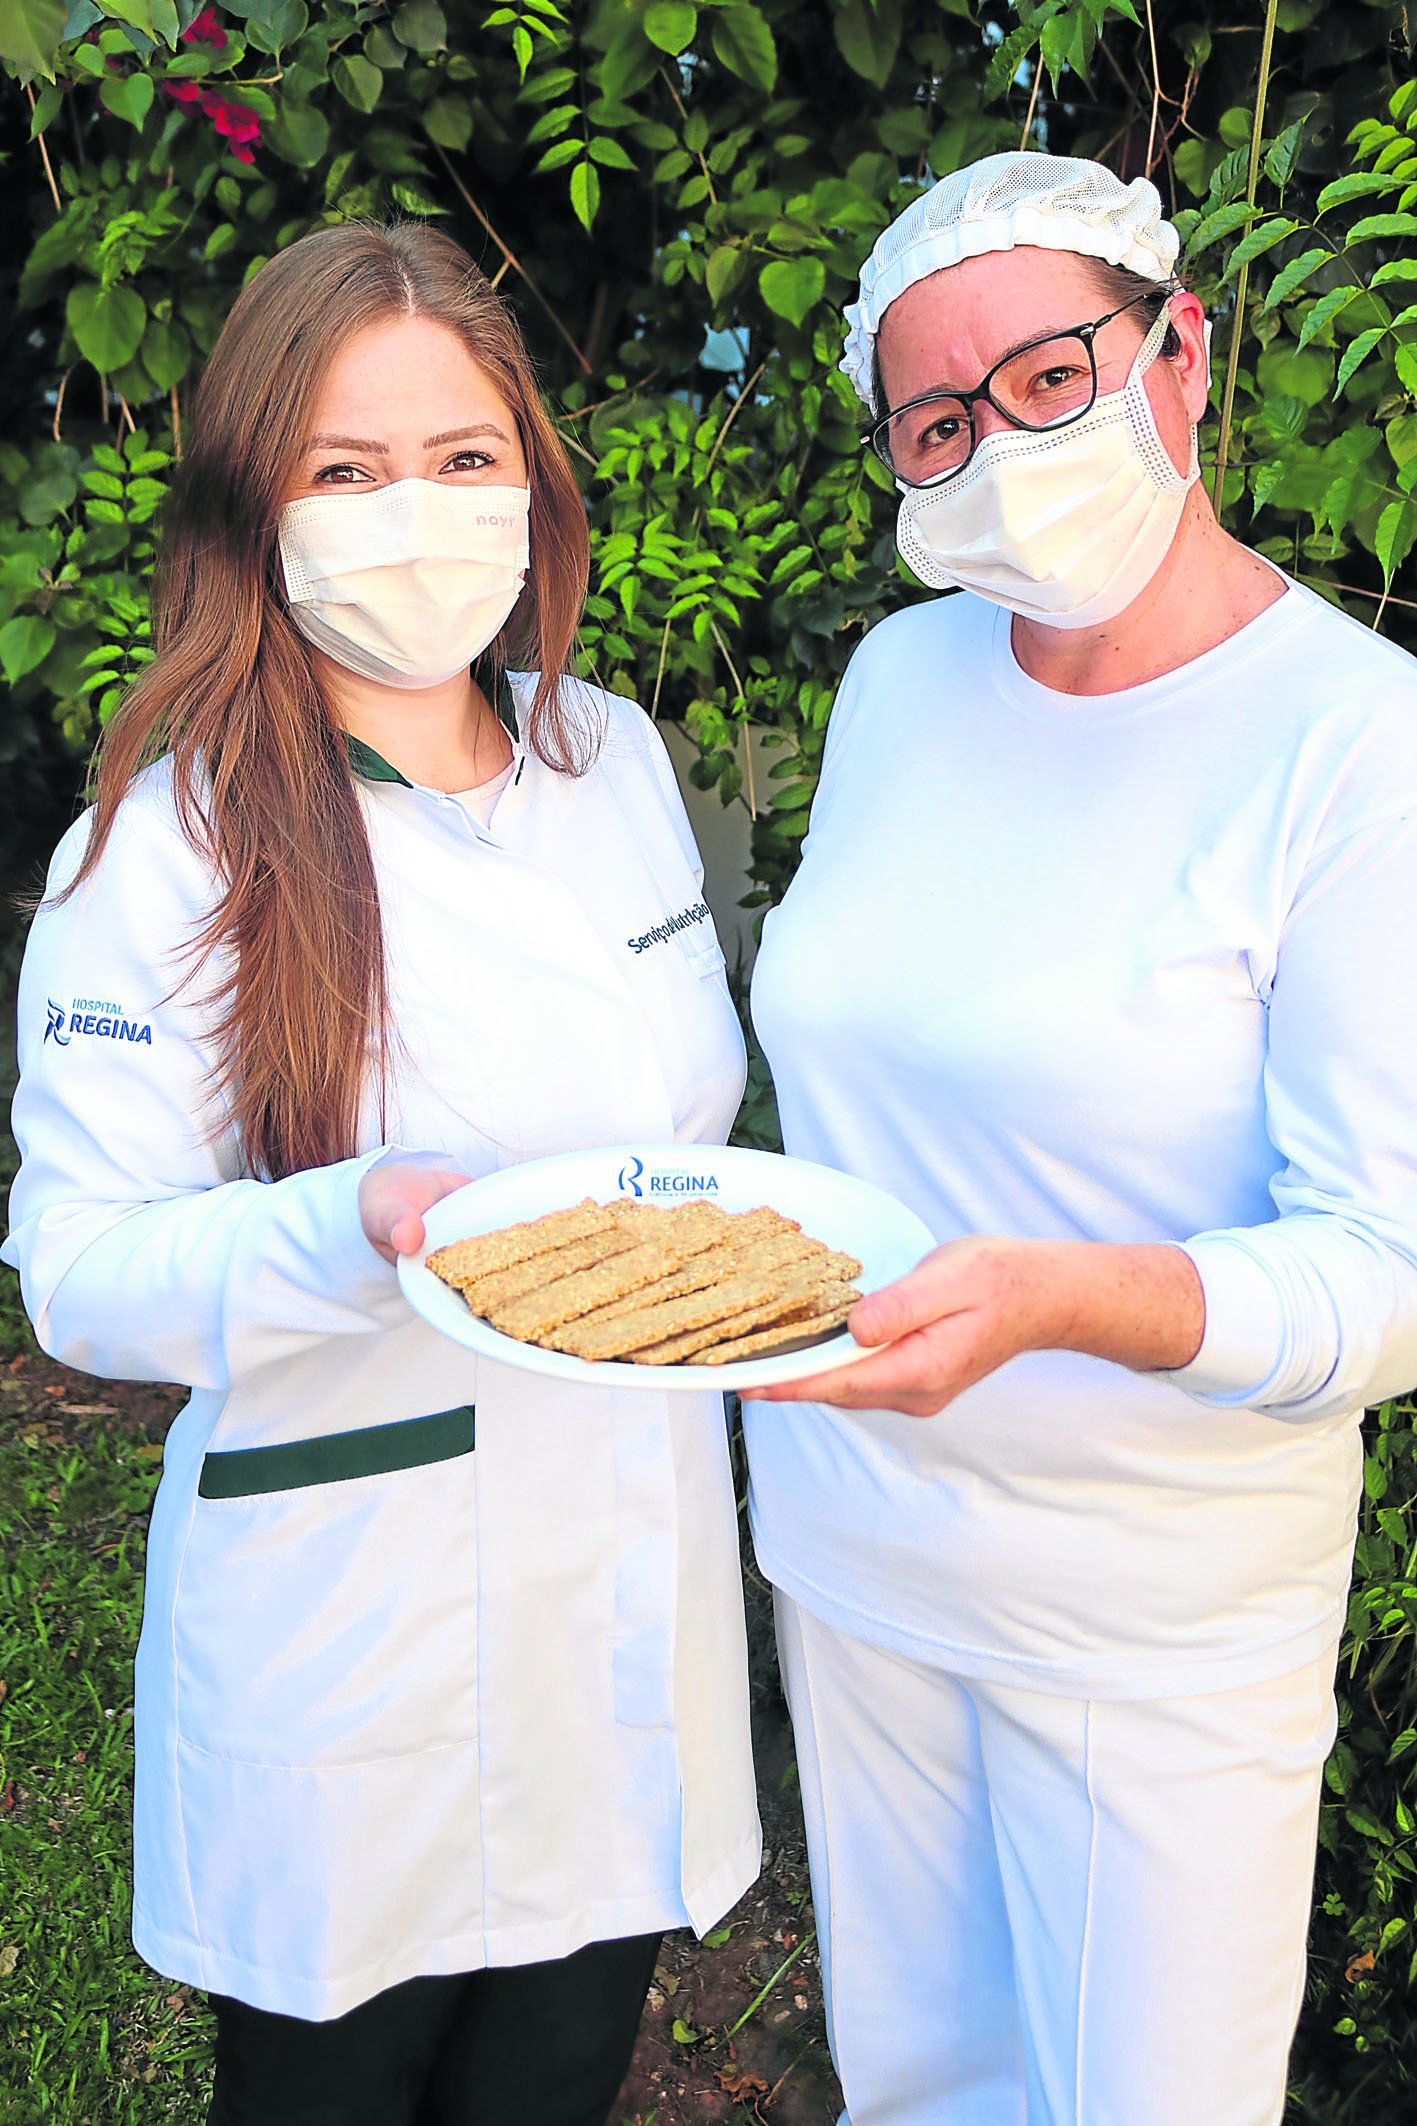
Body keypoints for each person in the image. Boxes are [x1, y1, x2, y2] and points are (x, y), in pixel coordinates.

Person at [3, 220, 760, 2126]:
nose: (412, 513)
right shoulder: (167, 844)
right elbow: (81, 1270)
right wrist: (350, 1224)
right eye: (345, 471)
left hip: (625, 1576)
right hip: (365, 1622)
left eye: (460, 459)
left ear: (530, 478)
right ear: (256, 503)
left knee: (563, 2060)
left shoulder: (612, 761)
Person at [743, 152, 1417, 2126]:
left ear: (1176, 352)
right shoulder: (898, 679)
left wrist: (1056, 1298)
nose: (998, 448)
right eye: (937, 420)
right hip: (857, 1554)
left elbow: (1388, 1275)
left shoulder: (1355, 744)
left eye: (1047, 378)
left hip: (1152, 1626)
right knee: (922, 2088)